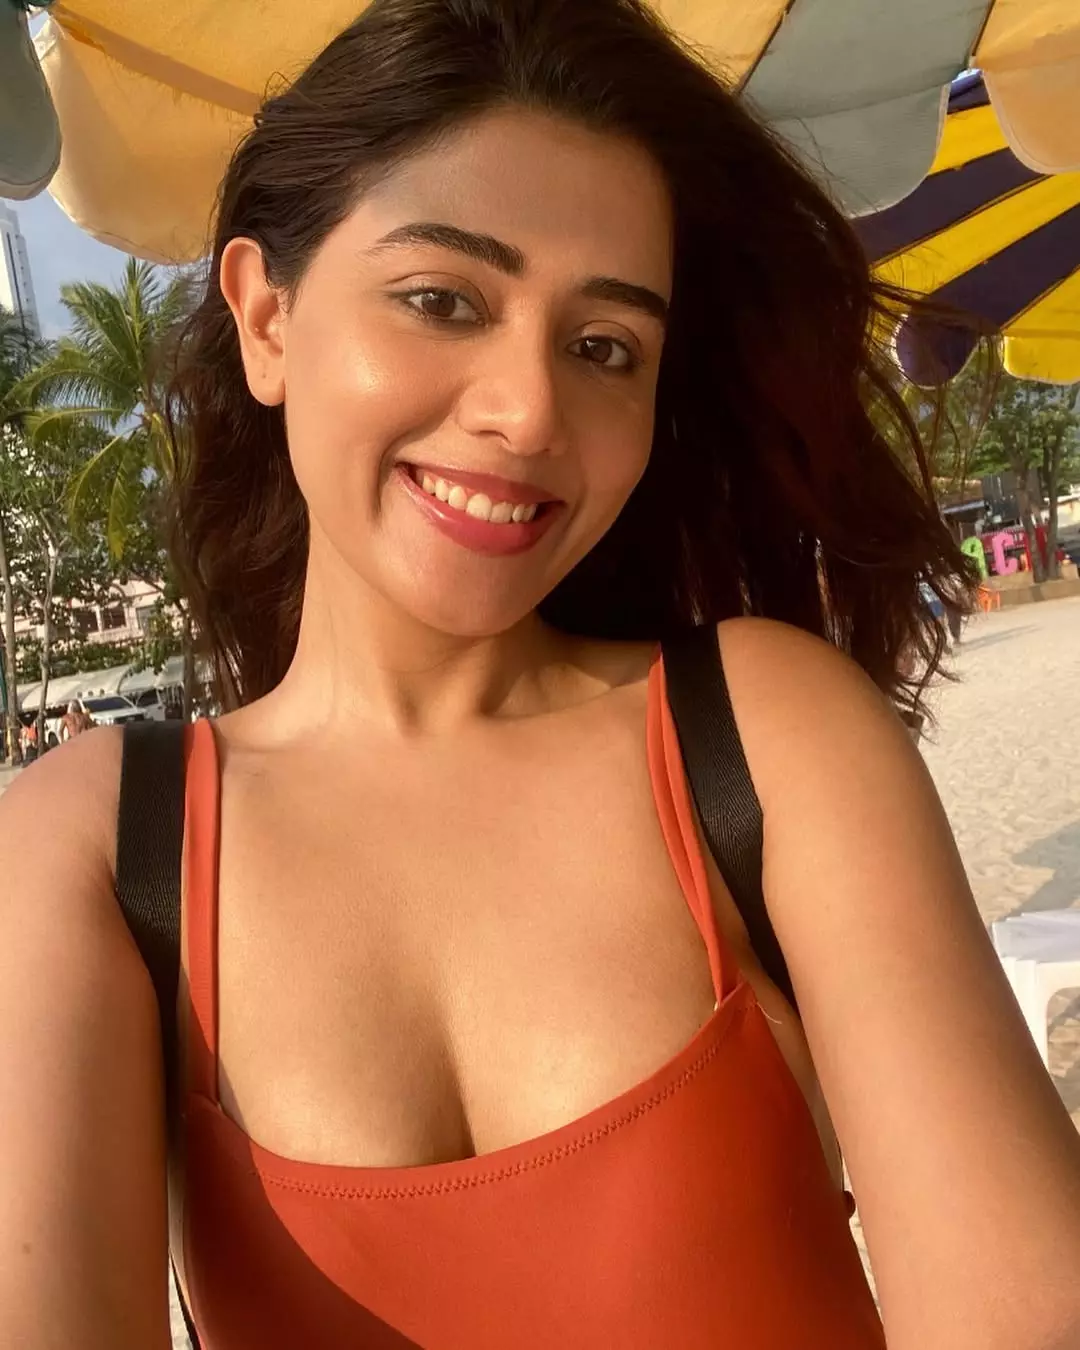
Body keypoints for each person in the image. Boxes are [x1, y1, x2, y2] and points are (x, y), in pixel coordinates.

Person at [3, 2, 1080, 1346]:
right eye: (442, 300)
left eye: (603, 346)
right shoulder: (102, 847)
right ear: (266, 317)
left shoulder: (763, 739)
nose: (528, 412)